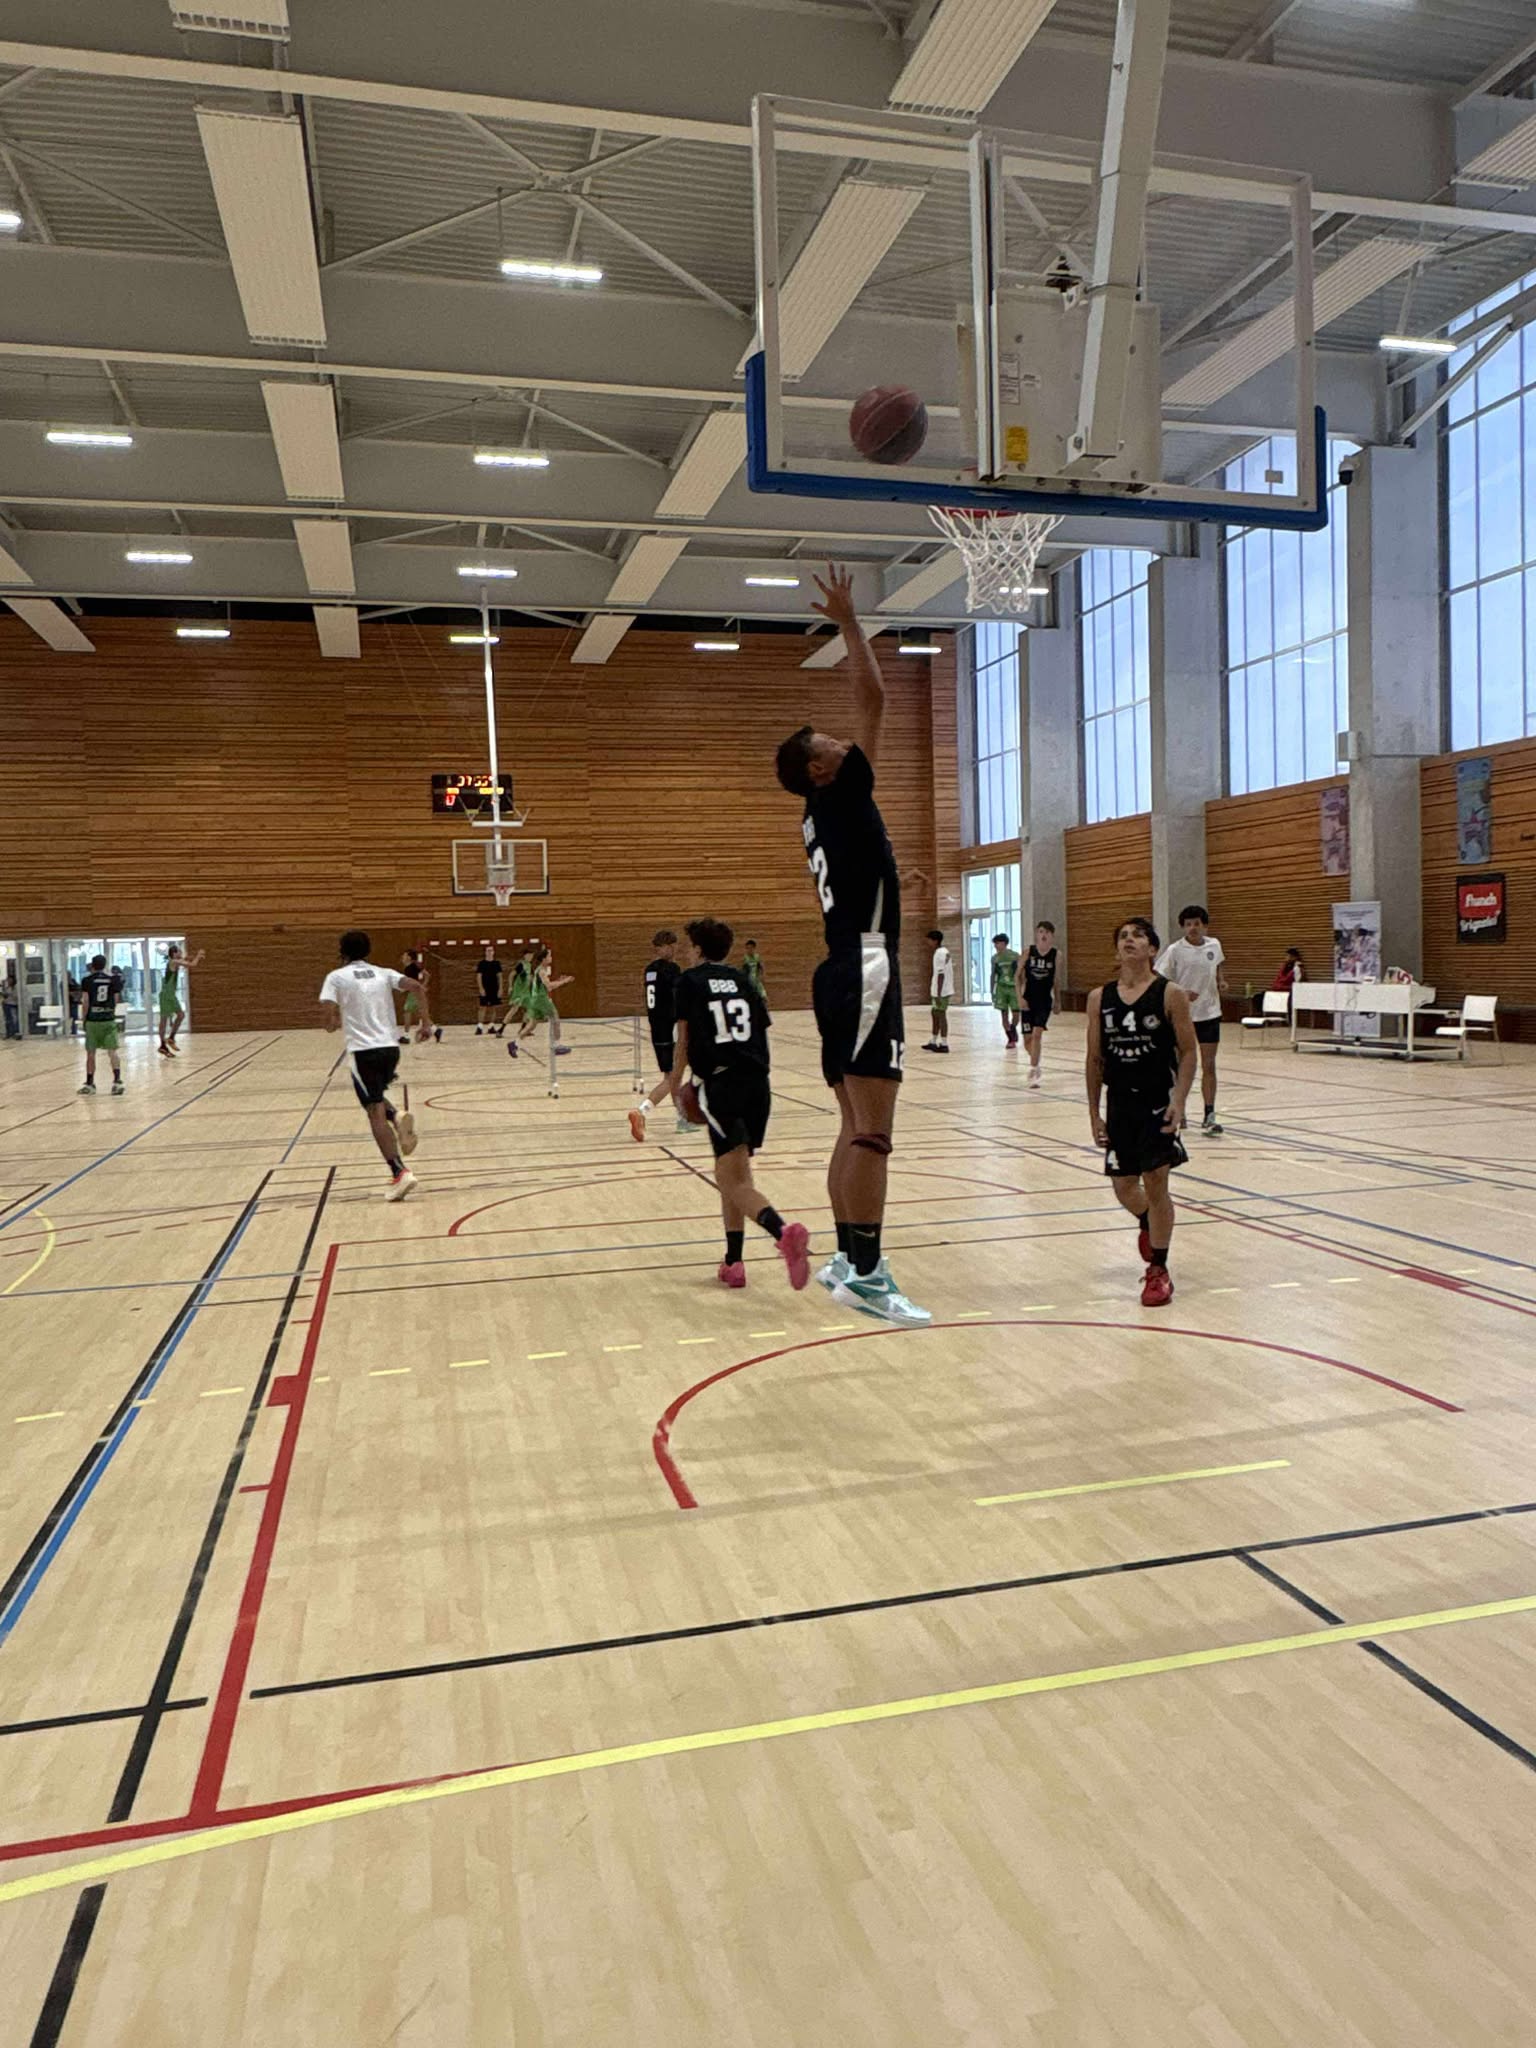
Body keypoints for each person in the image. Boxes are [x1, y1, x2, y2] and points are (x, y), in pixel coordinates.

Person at [772, 563, 930, 1327]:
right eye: (829, 741)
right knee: (874, 1132)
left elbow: (862, 873)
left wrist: (896, 881)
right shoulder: (840, 789)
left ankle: (846, 1258)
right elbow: (876, 696)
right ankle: (868, 1273)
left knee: (852, 1124)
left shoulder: (821, 816)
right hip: (866, 965)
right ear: (819, 766)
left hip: (841, 964)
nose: (844, 739)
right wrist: (848, 621)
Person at [636, 918, 810, 1292]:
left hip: (722, 1085)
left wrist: (677, 1086)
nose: (686, 951)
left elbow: (683, 1042)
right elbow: (761, 1031)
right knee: (733, 1174)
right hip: (758, 1084)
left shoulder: (690, 981)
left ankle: (783, 1233)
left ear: (698, 949)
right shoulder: (744, 980)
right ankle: (734, 1263)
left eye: (689, 946)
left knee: (734, 1180)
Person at [1085, 918, 1197, 1308]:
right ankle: (1151, 1223)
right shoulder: (1099, 998)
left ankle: (1159, 1269)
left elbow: (1188, 1052)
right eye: (1123, 936)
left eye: (1138, 935)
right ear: (1116, 950)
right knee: (1124, 1186)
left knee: (1156, 1179)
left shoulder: (1170, 994)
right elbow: (1094, 1059)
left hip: (1157, 1101)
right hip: (1120, 1104)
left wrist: (1179, 1100)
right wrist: (1094, 1114)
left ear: (1152, 949)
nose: (1129, 940)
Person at [319, 930, 421, 1202]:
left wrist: (332, 1023)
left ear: (342, 952)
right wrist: (427, 1023)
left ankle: (399, 1172)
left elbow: (328, 1016)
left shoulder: (336, 977)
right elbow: (416, 986)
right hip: (390, 1048)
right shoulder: (383, 973)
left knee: (373, 1110)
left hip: (363, 1051)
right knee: (375, 1096)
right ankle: (396, 1116)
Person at [1156, 905, 1228, 1135]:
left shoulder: (1214, 945)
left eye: (1197, 923)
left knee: (1209, 1064)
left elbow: (1217, 966)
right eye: (1188, 924)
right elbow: (1160, 978)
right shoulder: (1175, 950)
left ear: (1204, 925)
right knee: (1180, 1065)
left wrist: (1221, 981)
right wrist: (1180, 993)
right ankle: (1179, 1110)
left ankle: (1209, 1114)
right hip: (1183, 1016)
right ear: (1183, 927)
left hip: (1209, 1013)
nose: (1193, 928)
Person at [632, 929, 692, 1136]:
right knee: (673, 1077)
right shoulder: (672, 970)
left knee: (671, 1074)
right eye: (671, 946)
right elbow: (681, 998)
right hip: (671, 1027)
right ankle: (641, 1111)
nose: (674, 949)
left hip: (656, 1028)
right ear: (663, 948)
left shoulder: (649, 970)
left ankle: (682, 1119)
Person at [77, 953, 125, 1096]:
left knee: (91, 1053)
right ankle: (117, 1082)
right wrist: (110, 1011)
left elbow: (85, 1001)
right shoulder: (112, 980)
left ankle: (90, 1083)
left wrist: (84, 1019)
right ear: (105, 965)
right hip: (108, 1019)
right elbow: (116, 999)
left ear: (92, 965)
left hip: (93, 1020)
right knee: (112, 1052)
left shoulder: (87, 980)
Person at [1017, 921, 1058, 1087]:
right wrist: (1019, 997)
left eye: (1047, 932)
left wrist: (1058, 1000)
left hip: (1044, 1001)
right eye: (1041, 931)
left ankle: (1033, 1071)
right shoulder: (1028, 952)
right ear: (1036, 934)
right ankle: (1036, 1063)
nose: (1044, 935)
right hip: (1028, 1000)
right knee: (1027, 1041)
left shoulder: (1056, 955)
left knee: (1037, 1035)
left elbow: (1056, 979)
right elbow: (1017, 976)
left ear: (1052, 936)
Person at [516, 943, 572, 1045]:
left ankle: (515, 1043)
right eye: (549, 956)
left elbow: (546, 985)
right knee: (555, 1017)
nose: (551, 958)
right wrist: (564, 982)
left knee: (532, 1024)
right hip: (540, 998)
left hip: (535, 999)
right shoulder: (541, 971)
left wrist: (559, 981)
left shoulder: (540, 970)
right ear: (544, 959)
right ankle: (557, 1045)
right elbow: (549, 986)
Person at [156, 943, 204, 1057]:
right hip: (166, 995)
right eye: (179, 951)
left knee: (181, 1015)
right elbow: (192, 964)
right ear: (174, 953)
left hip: (171, 995)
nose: (181, 953)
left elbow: (185, 960)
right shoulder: (173, 962)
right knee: (164, 1020)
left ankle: (171, 1038)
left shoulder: (175, 962)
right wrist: (198, 956)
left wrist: (189, 956)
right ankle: (162, 1045)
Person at [400, 948, 442, 1045]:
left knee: (407, 1012)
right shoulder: (408, 968)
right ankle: (435, 1030)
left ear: (409, 957)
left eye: (405, 955)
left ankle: (406, 1036)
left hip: (414, 992)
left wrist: (423, 986)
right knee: (420, 1014)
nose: (403, 957)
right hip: (413, 992)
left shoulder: (413, 967)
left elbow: (427, 975)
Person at [923, 928, 953, 1053]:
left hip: (942, 990)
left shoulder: (940, 953)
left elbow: (941, 974)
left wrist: (939, 993)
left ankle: (944, 1043)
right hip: (938, 989)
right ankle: (934, 1040)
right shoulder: (942, 952)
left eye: (929, 940)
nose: (928, 943)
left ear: (935, 941)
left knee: (941, 1015)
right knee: (935, 1014)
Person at [991, 932, 1022, 1046]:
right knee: (1004, 1014)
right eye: (995, 943)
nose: (996, 946)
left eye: (998, 943)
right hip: (1001, 988)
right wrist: (992, 990)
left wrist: (1022, 988)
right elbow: (993, 974)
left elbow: (1021, 973)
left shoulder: (1015, 956)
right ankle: (1010, 1039)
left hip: (1014, 988)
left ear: (1004, 943)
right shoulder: (995, 958)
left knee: (1016, 1015)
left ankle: (1013, 1028)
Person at [475, 944, 506, 1035]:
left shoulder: (497, 963)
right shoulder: (481, 964)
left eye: (491, 950)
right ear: (485, 952)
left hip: (494, 988)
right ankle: (479, 1027)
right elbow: (479, 976)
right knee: (482, 1007)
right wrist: (481, 988)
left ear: (493, 952)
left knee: (493, 1007)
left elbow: (500, 977)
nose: (489, 952)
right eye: (488, 950)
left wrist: (500, 988)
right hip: (485, 988)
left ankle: (491, 1026)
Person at [741, 939, 768, 1010]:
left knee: (764, 997)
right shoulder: (745, 958)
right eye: (747, 948)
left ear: (754, 948)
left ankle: (764, 1011)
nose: (749, 950)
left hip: (757, 981)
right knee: (749, 998)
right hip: (749, 981)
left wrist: (762, 975)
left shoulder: (757, 957)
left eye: (751, 948)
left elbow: (761, 967)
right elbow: (743, 970)